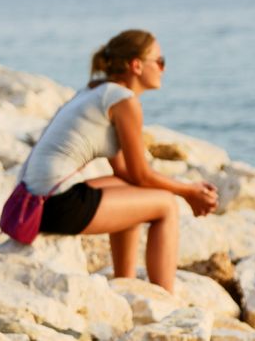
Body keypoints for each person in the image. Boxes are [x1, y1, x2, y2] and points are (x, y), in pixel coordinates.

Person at [19, 29, 218, 293]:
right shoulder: (124, 101)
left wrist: (185, 188)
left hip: (32, 201)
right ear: (136, 65)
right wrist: (188, 191)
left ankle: (127, 286)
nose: (163, 68)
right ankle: (164, 297)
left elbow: (125, 172)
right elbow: (140, 174)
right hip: (53, 206)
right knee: (167, 206)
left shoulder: (98, 91)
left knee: (136, 192)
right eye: (159, 61)